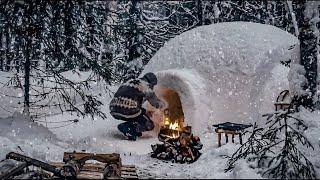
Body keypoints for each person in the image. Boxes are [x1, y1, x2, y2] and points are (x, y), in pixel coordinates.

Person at [109, 72, 165, 141]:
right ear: (150, 83)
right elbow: (155, 102)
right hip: (127, 109)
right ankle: (128, 128)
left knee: (140, 114)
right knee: (149, 124)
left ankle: (133, 130)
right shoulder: (145, 85)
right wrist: (164, 106)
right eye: (153, 85)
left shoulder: (130, 82)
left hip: (114, 109)